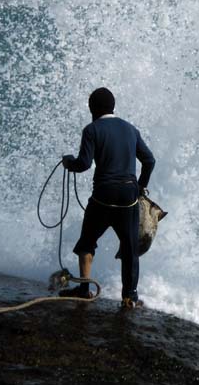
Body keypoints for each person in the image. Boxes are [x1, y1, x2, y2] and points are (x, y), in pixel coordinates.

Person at [59, 87, 157, 308]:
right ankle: (129, 297)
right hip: (128, 196)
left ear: (92, 109)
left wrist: (68, 163)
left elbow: (83, 164)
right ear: (113, 107)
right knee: (130, 247)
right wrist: (140, 187)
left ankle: (84, 289)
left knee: (87, 242)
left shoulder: (92, 130)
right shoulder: (131, 129)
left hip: (103, 195)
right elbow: (149, 161)